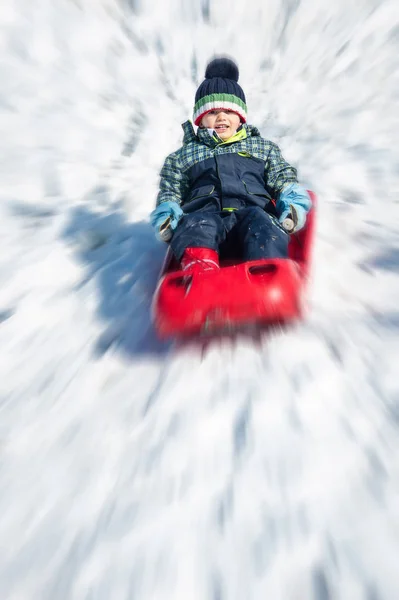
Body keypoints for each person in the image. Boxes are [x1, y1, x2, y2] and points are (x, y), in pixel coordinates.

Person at [150, 56, 312, 273]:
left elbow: (283, 178)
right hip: (205, 218)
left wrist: (292, 205)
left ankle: (266, 271)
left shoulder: (262, 148)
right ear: (200, 119)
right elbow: (171, 191)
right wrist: (167, 216)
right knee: (194, 224)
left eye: (228, 111)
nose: (221, 117)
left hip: (252, 213)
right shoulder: (182, 157)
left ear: (240, 116)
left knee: (263, 223)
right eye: (213, 112)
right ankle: (199, 273)